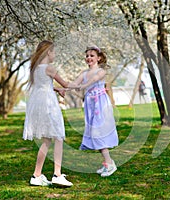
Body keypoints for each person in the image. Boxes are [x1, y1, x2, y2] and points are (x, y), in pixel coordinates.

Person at [23, 40, 73, 187]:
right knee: (58, 137)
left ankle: (36, 175)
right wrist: (83, 84)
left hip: (40, 105)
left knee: (46, 140)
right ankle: (57, 174)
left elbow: (43, 86)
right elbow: (66, 84)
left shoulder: (36, 68)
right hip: (49, 106)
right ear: (49, 52)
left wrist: (57, 89)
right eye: (54, 51)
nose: (55, 54)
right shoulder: (49, 68)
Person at [69, 46, 118, 177]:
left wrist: (84, 86)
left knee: (98, 132)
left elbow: (94, 80)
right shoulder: (84, 74)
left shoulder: (101, 71)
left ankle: (110, 164)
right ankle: (108, 162)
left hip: (100, 104)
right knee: (94, 132)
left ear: (98, 58)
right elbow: (74, 83)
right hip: (90, 105)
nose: (89, 58)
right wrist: (62, 88)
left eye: (92, 55)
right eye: (87, 56)